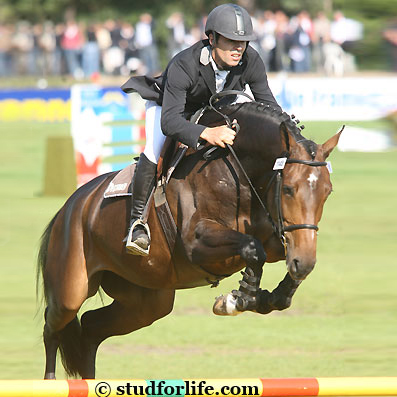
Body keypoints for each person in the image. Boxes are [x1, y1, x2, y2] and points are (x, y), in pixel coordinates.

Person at [121, 3, 281, 256]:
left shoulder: (250, 60)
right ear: (212, 38)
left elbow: (270, 107)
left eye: (243, 42)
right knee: (153, 151)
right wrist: (207, 133)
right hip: (171, 108)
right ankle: (137, 224)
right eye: (230, 41)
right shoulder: (185, 64)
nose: (239, 48)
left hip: (214, 107)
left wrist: (298, 145)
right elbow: (170, 122)